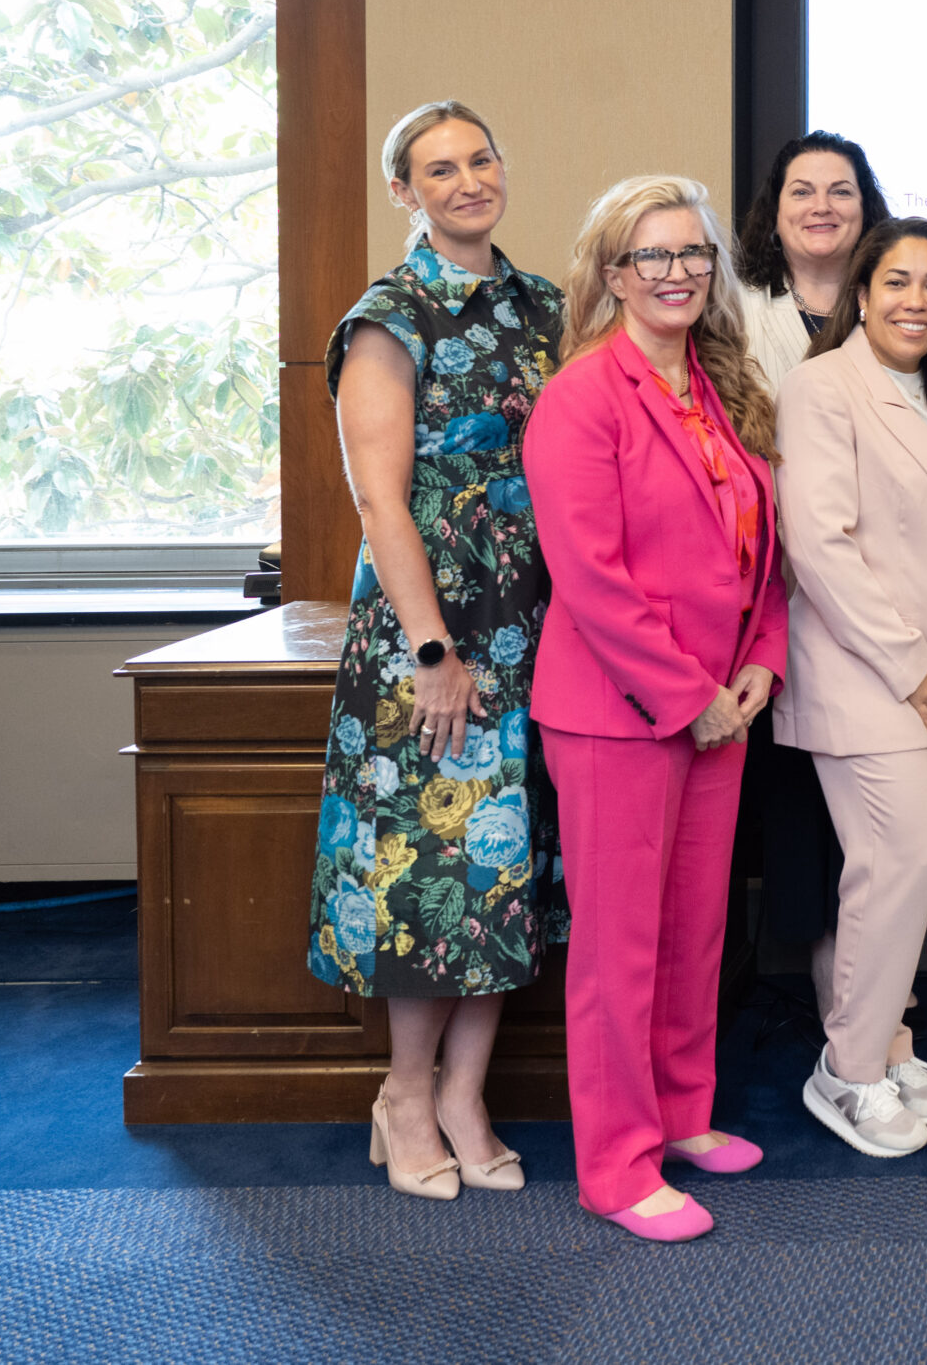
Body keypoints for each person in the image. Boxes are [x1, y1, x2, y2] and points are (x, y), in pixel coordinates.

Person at [308, 99, 564, 1202]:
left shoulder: (547, 306)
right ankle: (404, 1095)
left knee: (503, 873)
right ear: (404, 192)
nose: (468, 181)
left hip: (535, 631)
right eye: (439, 169)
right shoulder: (388, 317)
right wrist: (432, 652)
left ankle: (466, 1092)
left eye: (481, 158)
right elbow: (380, 499)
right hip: (430, 639)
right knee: (430, 873)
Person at [525, 175, 788, 1242]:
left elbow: (757, 548)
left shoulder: (720, 386)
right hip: (616, 717)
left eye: (692, 255)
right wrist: (691, 699)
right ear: (611, 275)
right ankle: (617, 1167)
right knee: (620, 949)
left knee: (693, 936)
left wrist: (760, 661)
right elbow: (589, 577)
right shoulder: (582, 395)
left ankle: (680, 1118)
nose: (675, 274)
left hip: (722, 706)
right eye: (651, 257)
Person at [776, 218, 927, 1157]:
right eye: (898, 281)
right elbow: (818, 544)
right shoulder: (821, 386)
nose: (918, 299)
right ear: (860, 294)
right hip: (870, 671)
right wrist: (913, 669)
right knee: (894, 863)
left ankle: (885, 1039)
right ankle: (848, 1070)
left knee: (905, 872)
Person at [728, 131, 892, 1011]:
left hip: (883, 587)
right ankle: (829, 970)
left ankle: (877, 972)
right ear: (775, 210)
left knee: (877, 787)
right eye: (802, 191)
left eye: (841, 190)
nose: (822, 206)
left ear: (867, 206)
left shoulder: (895, 300)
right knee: (795, 787)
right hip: (772, 588)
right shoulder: (733, 307)